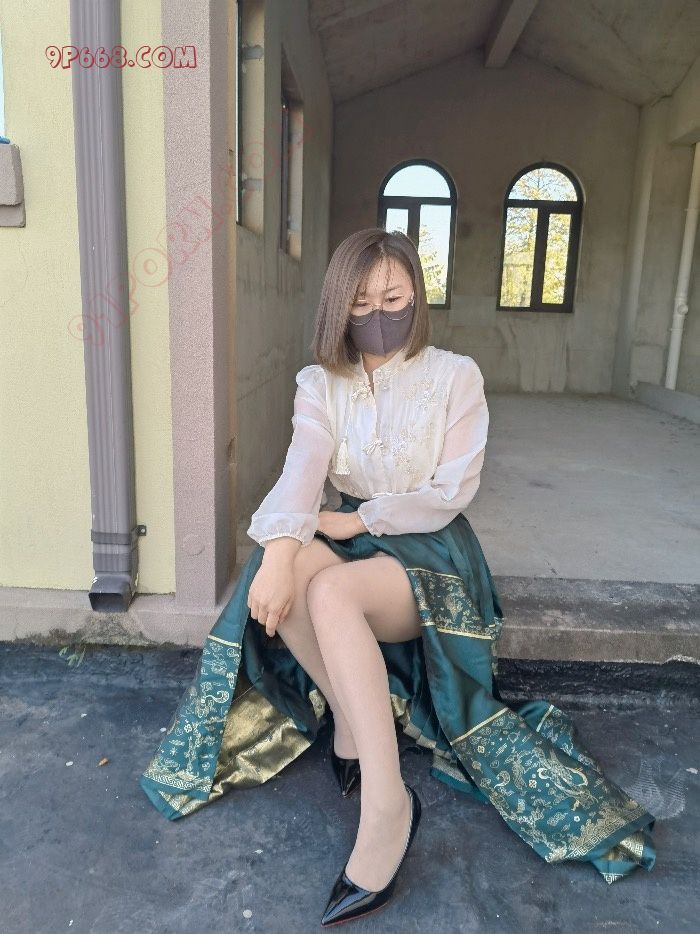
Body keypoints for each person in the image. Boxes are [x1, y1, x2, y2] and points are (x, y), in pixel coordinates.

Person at [139, 229, 656, 926]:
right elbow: (302, 470)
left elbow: (450, 491)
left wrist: (360, 518)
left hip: (432, 548)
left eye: (393, 297)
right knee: (288, 567)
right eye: (360, 302)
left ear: (417, 294)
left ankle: (388, 806)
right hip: (350, 533)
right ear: (337, 306)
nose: (378, 314)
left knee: (330, 588)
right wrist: (280, 553)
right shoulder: (321, 384)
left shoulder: (455, 376)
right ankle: (356, 722)